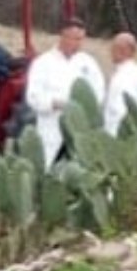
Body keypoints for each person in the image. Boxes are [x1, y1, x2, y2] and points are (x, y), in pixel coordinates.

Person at [25, 17, 106, 169]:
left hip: (79, 131)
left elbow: (98, 92)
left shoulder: (88, 63)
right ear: (63, 36)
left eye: (81, 39)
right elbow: (33, 97)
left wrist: (83, 109)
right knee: (47, 169)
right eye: (74, 39)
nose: (78, 43)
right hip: (51, 128)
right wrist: (55, 103)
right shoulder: (43, 63)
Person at [103, 32, 137, 137]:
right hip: (114, 134)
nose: (111, 51)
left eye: (114, 48)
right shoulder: (119, 73)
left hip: (127, 135)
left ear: (124, 50)